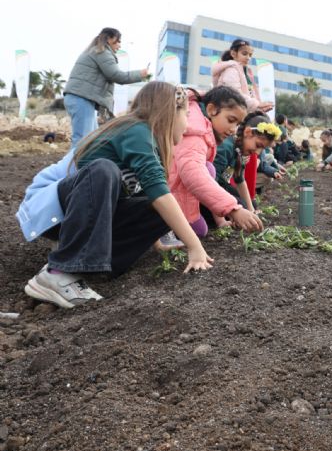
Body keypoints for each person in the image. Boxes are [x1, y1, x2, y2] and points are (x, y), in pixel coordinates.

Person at [17, 82, 213, 309]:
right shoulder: (138, 129)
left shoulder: (149, 140)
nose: (187, 124)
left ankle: (88, 269)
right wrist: (194, 245)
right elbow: (157, 191)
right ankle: (59, 271)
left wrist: (155, 238)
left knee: (161, 208)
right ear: (169, 112)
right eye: (186, 115)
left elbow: (149, 196)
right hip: (49, 208)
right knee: (104, 170)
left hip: (81, 208)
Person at [168, 86, 263, 239]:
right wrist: (233, 210)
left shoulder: (200, 123)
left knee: (208, 170)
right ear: (212, 109)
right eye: (231, 120)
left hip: (174, 186)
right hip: (162, 192)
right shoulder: (196, 130)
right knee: (208, 170)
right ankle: (165, 226)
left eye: (237, 124)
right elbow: (193, 174)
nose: (233, 129)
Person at [64, 27, 150, 146]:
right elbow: (116, 75)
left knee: (90, 140)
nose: (119, 45)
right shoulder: (102, 52)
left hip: (79, 98)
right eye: (118, 41)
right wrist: (141, 74)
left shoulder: (95, 50)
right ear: (110, 39)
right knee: (82, 141)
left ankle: (82, 164)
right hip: (81, 99)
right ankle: (74, 165)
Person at [213, 112, 281, 209]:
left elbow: (240, 179)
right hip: (209, 192)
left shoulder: (240, 152)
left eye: (262, 149)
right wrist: (221, 220)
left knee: (251, 204)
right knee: (241, 206)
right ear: (248, 132)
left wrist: (251, 211)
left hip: (222, 186)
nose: (257, 153)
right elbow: (211, 184)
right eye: (258, 145)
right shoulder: (226, 148)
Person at [211, 38, 273, 114]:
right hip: (228, 115)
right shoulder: (231, 70)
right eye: (244, 54)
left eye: (250, 55)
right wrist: (257, 105)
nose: (248, 58)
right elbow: (235, 94)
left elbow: (249, 97)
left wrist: (258, 109)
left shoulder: (245, 72)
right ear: (233, 54)